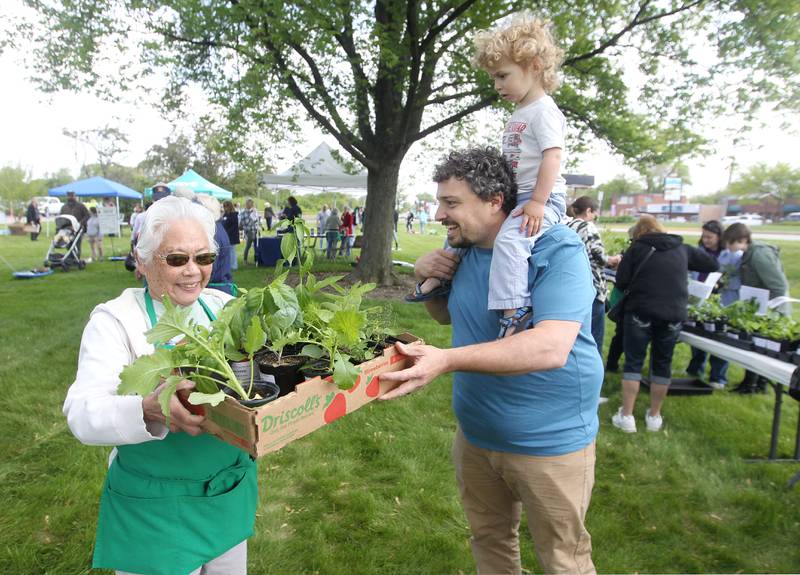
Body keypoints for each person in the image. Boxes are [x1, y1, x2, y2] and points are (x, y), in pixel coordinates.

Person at [381, 147, 602, 575]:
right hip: (477, 435)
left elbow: (550, 346)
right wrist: (426, 278)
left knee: (563, 561)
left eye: (451, 203)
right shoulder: (462, 247)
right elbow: (446, 315)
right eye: (440, 201)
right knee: (491, 542)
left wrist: (445, 361)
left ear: (495, 200)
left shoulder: (554, 246)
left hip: (548, 443)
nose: (440, 214)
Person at [63, 196, 256, 574]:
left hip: (225, 493)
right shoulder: (115, 320)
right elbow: (82, 413)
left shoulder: (220, 306)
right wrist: (147, 408)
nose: (193, 271)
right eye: (177, 258)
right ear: (143, 260)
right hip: (156, 508)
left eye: (203, 258)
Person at [411, 14, 568, 338]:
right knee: (459, 235)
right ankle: (434, 282)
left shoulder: (545, 111)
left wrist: (538, 202)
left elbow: (553, 157)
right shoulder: (521, 113)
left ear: (534, 65)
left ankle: (514, 310)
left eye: (502, 75)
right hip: (518, 195)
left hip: (540, 198)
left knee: (511, 241)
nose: (497, 85)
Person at [611, 215, 718, 433]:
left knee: (633, 363)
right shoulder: (682, 248)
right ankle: (654, 416)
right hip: (672, 313)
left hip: (640, 311)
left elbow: (621, 282)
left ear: (638, 233)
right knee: (662, 364)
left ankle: (627, 416)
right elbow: (712, 264)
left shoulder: (636, 249)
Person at [727, 223, 791, 394]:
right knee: (754, 347)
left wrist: (770, 310)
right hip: (759, 308)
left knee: (763, 350)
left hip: (772, 310)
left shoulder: (760, 255)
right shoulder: (749, 254)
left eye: (730, 242)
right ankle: (750, 384)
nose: (728, 246)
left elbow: (778, 286)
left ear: (742, 240)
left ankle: (757, 386)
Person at [565, 196, 621, 355]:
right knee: (595, 334)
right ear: (588, 211)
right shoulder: (588, 227)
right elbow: (599, 257)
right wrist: (614, 259)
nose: (595, 217)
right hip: (593, 285)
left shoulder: (567, 225)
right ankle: (593, 369)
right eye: (595, 213)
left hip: (572, 284)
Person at [685, 220, 729, 389]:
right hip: (699, 296)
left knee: (719, 339)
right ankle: (696, 369)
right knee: (698, 334)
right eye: (703, 236)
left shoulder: (726, 253)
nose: (706, 240)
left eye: (710, 237)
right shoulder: (699, 251)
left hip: (719, 297)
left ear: (720, 236)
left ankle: (718, 377)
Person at [60, 190, 91, 256]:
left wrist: (80, 223)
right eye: (69, 196)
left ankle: (76, 258)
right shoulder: (64, 207)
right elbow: (61, 216)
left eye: (72, 196)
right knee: (68, 244)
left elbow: (87, 215)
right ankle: (70, 257)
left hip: (78, 228)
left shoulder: (81, 206)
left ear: (75, 196)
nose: (70, 197)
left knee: (77, 244)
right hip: (67, 228)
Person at [239, 198, 261, 264]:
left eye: (252, 204)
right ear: (246, 204)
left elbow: (258, 220)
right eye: (249, 203)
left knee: (256, 246)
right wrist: (251, 219)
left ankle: (256, 260)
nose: (251, 205)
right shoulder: (243, 213)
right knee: (248, 246)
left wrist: (257, 217)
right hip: (249, 231)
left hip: (256, 230)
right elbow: (242, 223)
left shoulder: (255, 211)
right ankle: (245, 260)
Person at [221, 200, 240, 270]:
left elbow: (234, 227)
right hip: (226, 235)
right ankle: (229, 265)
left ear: (230, 206)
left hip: (232, 236)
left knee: (232, 251)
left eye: (226, 206)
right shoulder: (225, 215)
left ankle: (234, 265)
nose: (225, 208)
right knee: (228, 251)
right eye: (224, 206)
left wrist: (226, 233)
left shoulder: (233, 215)